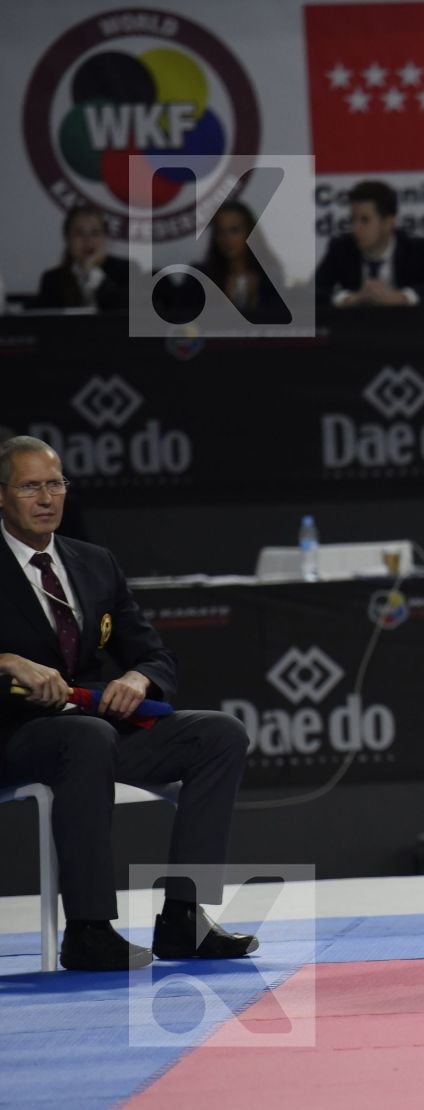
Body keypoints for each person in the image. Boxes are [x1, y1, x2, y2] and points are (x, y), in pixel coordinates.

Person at [0, 436, 257, 970]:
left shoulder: (94, 564)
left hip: (90, 734)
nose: (47, 498)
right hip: (15, 733)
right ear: (1, 496)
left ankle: (184, 919)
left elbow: (155, 654)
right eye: (30, 486)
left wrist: (139, 678)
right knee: (88, 736)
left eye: (55, 484)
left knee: (219, 734)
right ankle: (89, 929)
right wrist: (6, 661)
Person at [314, 180, 424, 307]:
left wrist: (402, 297)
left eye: (365, 220)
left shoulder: (417, 249)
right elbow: (310, 293)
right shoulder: (341, 248)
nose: (355, 228)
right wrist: (347, 299)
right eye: (353, 219)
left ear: (388, 222)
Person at [195, 199, 290, 323]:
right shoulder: (200, 277)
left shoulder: (269, 277)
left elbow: (280, 326)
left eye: (234, 230)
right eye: (221, 232)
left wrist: (254, 302)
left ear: (250, 233)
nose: (227, 239)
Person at [35, 205, 129, 311]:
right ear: (67, 239)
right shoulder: (52, 280)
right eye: (79, 233)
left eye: (95, 233)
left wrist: (92, 272)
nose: (88, 240)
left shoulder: (127, 270)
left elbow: (123, 311)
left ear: (106, 237)